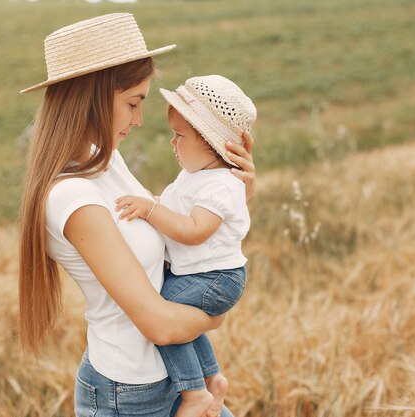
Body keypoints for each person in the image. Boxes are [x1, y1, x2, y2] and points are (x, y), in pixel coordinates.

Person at [17, 13, 256, 417]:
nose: (139, 119)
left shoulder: (105, 161)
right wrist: (213, 316)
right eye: (133, 103)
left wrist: (231, 188)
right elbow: (160, 325)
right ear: (91, 96)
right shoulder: (73, 198)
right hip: (128, 394)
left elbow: (172, 229)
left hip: (178, 379)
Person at [114, 75, 256, 417]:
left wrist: (151, 209)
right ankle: (212, 379)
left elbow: (194, 231)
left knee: (164, 313)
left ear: (212, 144)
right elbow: (180, 209)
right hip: (204, 274)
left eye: (180, 136)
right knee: (178, 319)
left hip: (217, 278)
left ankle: (194, 392)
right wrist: (155, 205)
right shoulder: (198, 176)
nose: (172, 143)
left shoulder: (220, 185)